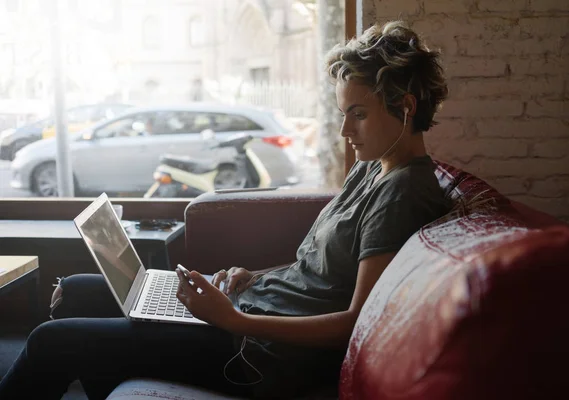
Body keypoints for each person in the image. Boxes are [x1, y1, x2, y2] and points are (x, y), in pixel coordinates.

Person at [0, 20, 450, 399]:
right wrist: (253, 278)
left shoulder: (403, 192)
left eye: (359, 114)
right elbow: (317, 270)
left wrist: (232, 319)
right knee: (80, 288)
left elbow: (353, 323)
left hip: (258, 353)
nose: (344, 130)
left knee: (50, 341)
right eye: (342, 113)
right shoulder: (374, 167)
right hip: (250, 314)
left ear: (405, 108)